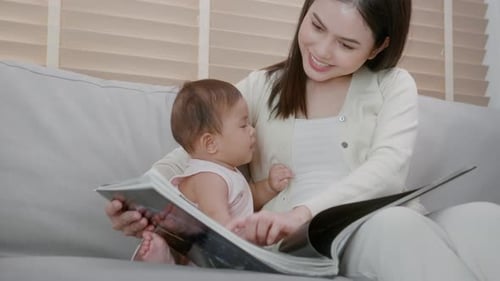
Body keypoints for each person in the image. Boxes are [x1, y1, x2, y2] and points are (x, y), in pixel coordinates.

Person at [105, 0, 500, 280]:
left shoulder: (392, 85)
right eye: (316, 25)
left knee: (487, 218)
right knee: (393, 226)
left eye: (346, 45)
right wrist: (140, 205)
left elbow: (388, 170)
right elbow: (185, 158)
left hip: (384, 217)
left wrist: (301, 211)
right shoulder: (262, 88)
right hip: (324, 242)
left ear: (379, 46)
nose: (322, 51)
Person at [132, 79, 292, 264]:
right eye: (243, 125)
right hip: (198, 253)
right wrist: (247, 241)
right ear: (211, 143)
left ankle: (163, 257)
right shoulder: (209, 177)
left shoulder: (226, 172)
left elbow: (248, 197)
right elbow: (217, 219)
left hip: (207, 252)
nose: (252, 130)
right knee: (178, 256)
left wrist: (270, 186)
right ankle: (162, 256)